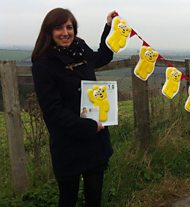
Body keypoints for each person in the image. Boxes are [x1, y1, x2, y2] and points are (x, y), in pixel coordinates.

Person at [31, 8, 115, 207]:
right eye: (59, 28)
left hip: (94, 140)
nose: (65, 32)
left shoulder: (80, 48)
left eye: (69, 27)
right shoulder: (43, 64)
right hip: (67, 142)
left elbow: (102, 57)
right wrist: (88, 126)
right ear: (49, 31)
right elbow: (52, 110)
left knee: (94, 197)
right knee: (67, 199)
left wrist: (108, 28)